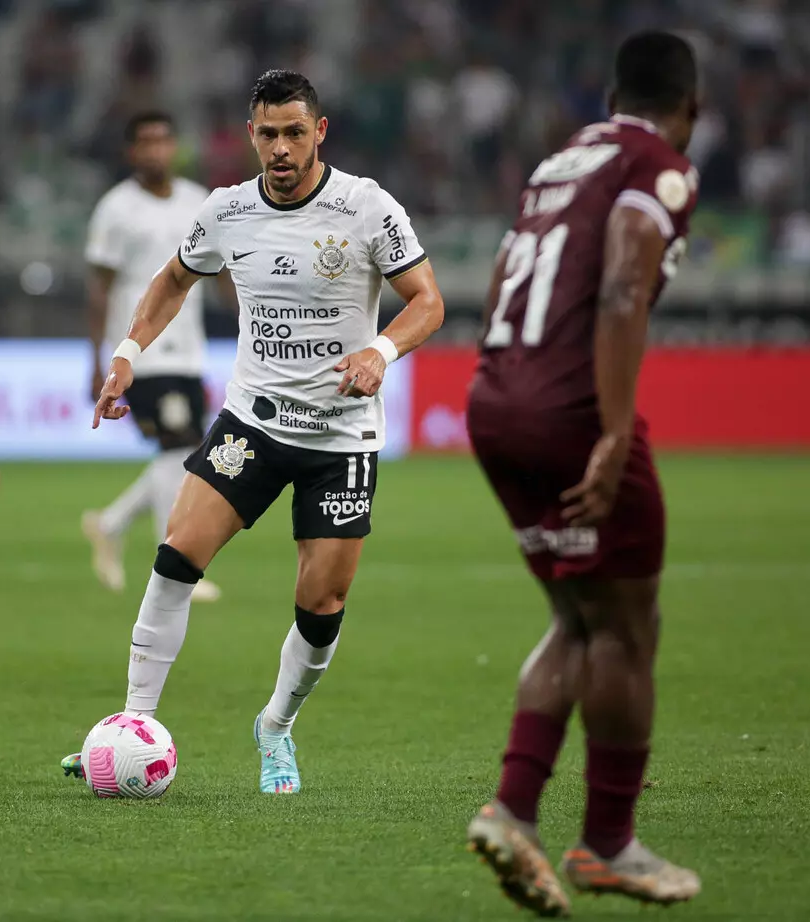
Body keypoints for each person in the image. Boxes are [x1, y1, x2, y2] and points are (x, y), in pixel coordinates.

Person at [61, 70, 444, 793]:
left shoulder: (366, 207)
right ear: (251, 135)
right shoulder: (226, 211)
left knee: (323, 601)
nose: (281, 147)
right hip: (253, 422)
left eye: (295, 132)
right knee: (176, 555)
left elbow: (428, 301)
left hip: (340, 436)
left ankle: (276, 726)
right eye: (268, 133)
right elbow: (172, 281)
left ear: (319, 133)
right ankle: (131, 727)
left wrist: (381, 350)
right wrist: (125, 355)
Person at [464, 32, 703, 914]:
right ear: (693, 109)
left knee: (578, 611)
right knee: (628, 627)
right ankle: (608, 843)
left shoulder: (560, 162)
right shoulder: (660, 164)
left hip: (495, 395)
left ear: (610, 96)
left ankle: (513, 812)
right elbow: (622, 282)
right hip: (570, 407)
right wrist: (610, 430)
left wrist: (508, 377)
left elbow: (501, 274)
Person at [80, 111, 234, 604]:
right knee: (179, 448)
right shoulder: (115, 208)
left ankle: (109, 523)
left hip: (188, 348)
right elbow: (99, 289)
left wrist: (249, 322)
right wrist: (98, 357)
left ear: (176, 147)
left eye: (163, 140)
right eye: (144, 142)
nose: (155, 150)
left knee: (182, 452)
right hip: (141, 349)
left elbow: (224, 272)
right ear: (130, 151)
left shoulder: (196, 201)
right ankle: (176, 566)